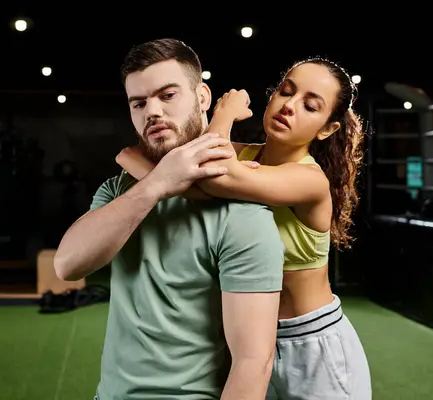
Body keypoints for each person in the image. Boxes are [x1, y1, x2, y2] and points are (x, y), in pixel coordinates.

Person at [117, 57, 372, 399]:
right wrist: (129, 157)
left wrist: (224, 112)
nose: (289, 107)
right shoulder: (244, 154)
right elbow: (188, 178)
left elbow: (211, 176)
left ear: (327, 129)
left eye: (310, 106)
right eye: (286, 92)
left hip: (311, 342)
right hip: (253, 340)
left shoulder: (309, 180)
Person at [53, 38, 285, 400]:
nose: (152, 112)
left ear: (203, 97)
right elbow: (67, 265)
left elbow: (253, 363)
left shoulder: (243, 213)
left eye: (167, 95)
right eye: (139, 103)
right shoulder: (120, 191)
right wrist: (156, 185)